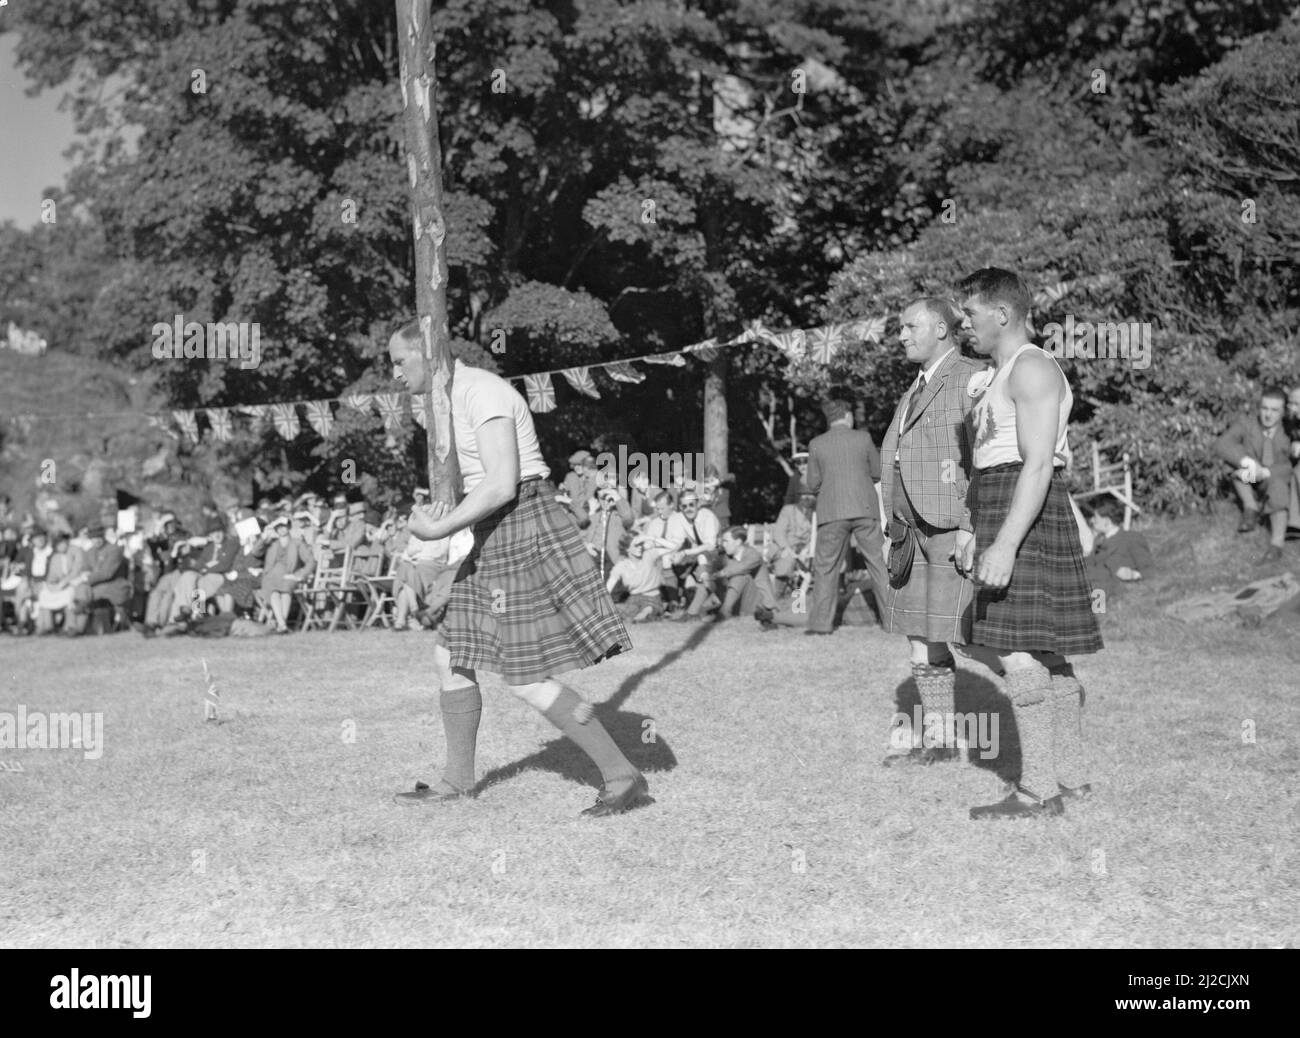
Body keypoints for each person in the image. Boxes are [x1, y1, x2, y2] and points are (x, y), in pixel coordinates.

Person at [388, 323, 650, 817]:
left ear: (426, 353)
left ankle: (621, 775)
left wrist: (439, 530)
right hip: (497, 528)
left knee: (526, 676)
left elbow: (504, 482)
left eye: (400, 360)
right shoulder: (449, 399)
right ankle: (456, 781)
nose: (394, 372)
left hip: (522, 521)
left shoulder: (479, 390)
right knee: (450, 655)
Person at [955, 267, 1104, 820]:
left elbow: (1039, 462)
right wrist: (975, 531)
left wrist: (1006, 545)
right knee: (1037, 647)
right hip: (999, 501)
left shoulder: (1034, 366)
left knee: (1014, 645)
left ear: (1002, 313)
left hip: (1024, 506)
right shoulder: (997, 375)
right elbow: (988, 460)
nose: (964, 324)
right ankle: (1070, 775)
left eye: (969, 313)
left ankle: (1039, 790)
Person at [879, 297, 986, 765]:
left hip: (952, 531)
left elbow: (987, 458)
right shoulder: (914, 389)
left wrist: (971, 525)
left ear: (941, 327)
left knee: (976, 637)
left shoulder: (972, 376)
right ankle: (939, 741)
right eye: (900, 327)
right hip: (910, 533)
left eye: (909, 326)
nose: (901, 335)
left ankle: (1048, 692)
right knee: (922, 636)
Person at [804, 397, 890, 635]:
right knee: (879, 564)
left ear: (828, 419)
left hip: (831, 510)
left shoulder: (816, 444)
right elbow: (877, 472)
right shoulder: (863, 438)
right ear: (848, 416)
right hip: (864, 508)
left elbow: (812, 483)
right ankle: (891, 620)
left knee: (826, 568)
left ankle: (821, 625)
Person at [1213, 386, 1295, 562]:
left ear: (1283, 412)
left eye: (1274, 410)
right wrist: (1247, 463)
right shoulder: (1247, 424)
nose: (1268, 415)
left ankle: (1276, 545)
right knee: (1234, 467)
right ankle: (1251, 507)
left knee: (1278, 484)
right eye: (1264, 408)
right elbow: (1222, 444)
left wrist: (1267, 472)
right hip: (1251, 477)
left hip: (1276, 480)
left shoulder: (1290, 431)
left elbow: (1288, 465)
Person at [1082, 496, 1154, 600]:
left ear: (1106, 521)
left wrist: (1133, 574)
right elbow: (1089, 562)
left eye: (1095, 517)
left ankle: (1096, 610)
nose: (1092, 520)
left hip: (1111, 585)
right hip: (1094, 579)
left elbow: (1150, 570)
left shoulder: (1131, 538)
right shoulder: (1099, 540)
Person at [667, 490, 721, 620]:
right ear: (680, 507)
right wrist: (673, 554)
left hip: (718, 553)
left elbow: (710, 545)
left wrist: (685, 553)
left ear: (698, 504)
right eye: (684, 506)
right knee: (673, 562)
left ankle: (692, 612)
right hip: (698, 554)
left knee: (702, 564)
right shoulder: (680, 519)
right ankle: (707, 602)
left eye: (691, 505)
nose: (688, 509)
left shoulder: (707, 516)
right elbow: (677, 542)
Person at [260, 515, 315, 633]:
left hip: (289, 575)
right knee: (274, 592)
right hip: (272, 575)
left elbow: (311, 561)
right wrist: (263, 537)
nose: (281, 529)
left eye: (283, 526)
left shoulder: (297, 543)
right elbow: (256, 551)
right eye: (278, 527)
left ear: (288, 527)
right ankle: (282, 625)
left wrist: (299, 574)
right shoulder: (272, 544)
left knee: (285, 591)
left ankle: (281, 625)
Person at [606, 535, 666, 623]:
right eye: (636, 545)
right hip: (633, 600)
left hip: (652, 598)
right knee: (614, 609)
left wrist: (651, 538)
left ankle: (640, 617)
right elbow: (608, 588)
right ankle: (634, 616)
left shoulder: (649, 555)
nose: (639, 548)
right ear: (627, 549)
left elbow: (675, 546)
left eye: (641, 545)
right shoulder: (621, 566)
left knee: (647, 609)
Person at [769, 489, 816, 594]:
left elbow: (816, 534)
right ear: (799, 496)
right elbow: (778, 533)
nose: (807, 497)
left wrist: (807, 549)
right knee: (786, 559)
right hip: (785, 547)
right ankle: (778, 594)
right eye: (804, 494)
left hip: (806, 549)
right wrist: (787, 549)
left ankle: (807, 592)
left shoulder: (816, 513)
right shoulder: (788, 510)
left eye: (810, 494)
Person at [560, 450, 598, 530]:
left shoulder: (593, 478)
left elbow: (589, 498)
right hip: (573, 516)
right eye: (575, 465)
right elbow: (565, 495)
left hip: (590, 516)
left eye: (580, 465)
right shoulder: (571, 477)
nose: (577, 467)